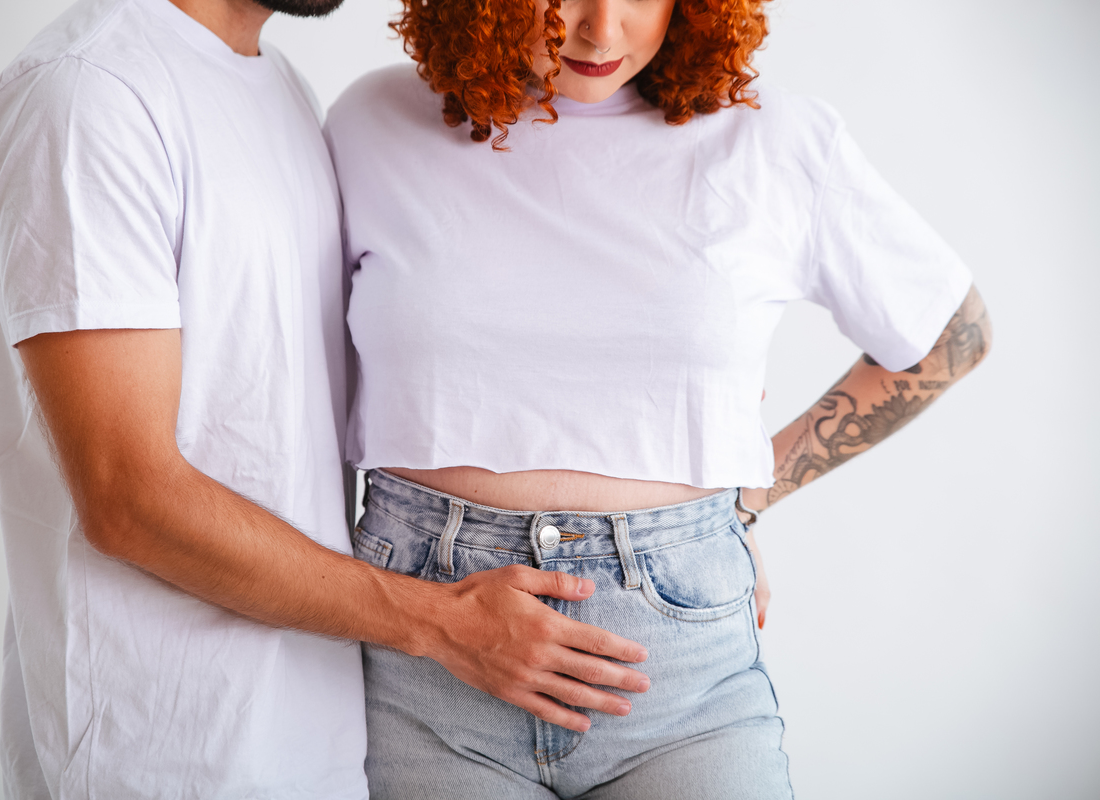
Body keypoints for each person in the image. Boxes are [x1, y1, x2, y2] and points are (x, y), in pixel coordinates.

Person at [0, 0, 653, 796]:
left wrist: (711, 512)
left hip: (310, 740)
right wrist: (443, 623)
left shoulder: (278, 85)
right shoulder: (89, 95)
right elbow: (129, 498)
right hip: (155, 754)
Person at [324, 0, 993, 796]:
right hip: (431, 652)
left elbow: (951, 336)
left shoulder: (772, 139)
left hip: (682, 677)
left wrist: (744, 500)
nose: (600, 30)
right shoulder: (375, 123)